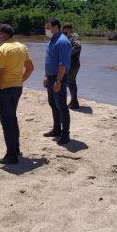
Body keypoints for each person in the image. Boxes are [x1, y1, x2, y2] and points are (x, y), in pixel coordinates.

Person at [0, 24, 34, 165]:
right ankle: (15, 149)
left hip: (5, 90)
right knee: (12, 118)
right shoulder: (22, 47)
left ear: (4, 35)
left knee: (7, 122)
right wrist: (20, 80)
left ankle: (11, 156)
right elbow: (30, 68)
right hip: (17, 88)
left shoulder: (1, 50)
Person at [43, 17, 72, 145]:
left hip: (58, 78)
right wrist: (45, 76)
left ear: (56, 27)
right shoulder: (52, 40)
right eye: (46, 27)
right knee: (53, 104)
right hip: (50, 77)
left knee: (62, 107)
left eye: (48, 27)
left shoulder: (62, 42)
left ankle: (65, 134)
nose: (47, 29)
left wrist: (58, 81)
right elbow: (49, 60)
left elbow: (62, 65)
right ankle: (56, 130)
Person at [62, 23, 82, 109]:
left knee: (71, 82)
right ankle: (73, 101)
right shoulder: (69, 36)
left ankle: (75, 102)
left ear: (68, 29)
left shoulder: (74, 36)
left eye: (64, 30)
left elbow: (78, 46)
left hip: (74, 62)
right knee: (70, 82)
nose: (63, 32)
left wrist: (68, 53)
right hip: (71, 63)